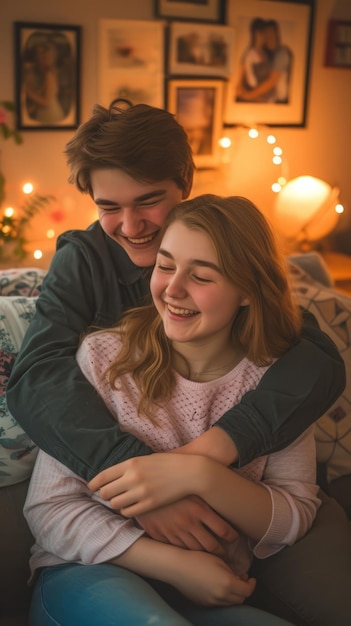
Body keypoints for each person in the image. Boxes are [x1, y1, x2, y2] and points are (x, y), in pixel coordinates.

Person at [6, 100, 347, 622]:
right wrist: (145, 485)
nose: (130, 225)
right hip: (109, 522)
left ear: (184, 182)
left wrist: (202, 463)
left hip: (242, 507)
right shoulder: (87, 272)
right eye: (108, 207)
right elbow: (37, 378)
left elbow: (314, 361)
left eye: (148, 201)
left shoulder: (222, 243)